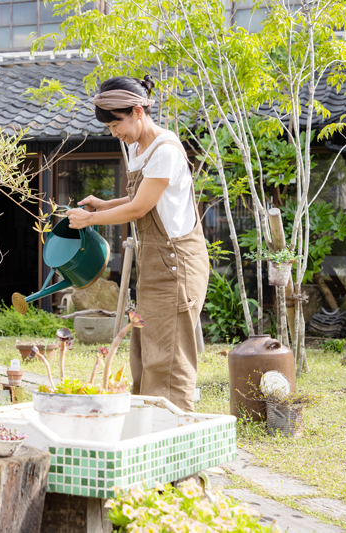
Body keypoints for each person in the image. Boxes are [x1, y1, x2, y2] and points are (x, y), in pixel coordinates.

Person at [67, 75, 209, 412]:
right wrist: (104, 206)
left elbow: (140, 208)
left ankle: (177, 450)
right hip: (155, 264)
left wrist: (89, 220)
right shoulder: (138, 148)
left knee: (169, 361)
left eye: (117, 124)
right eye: (110, 128)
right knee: (145, 354)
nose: (115, 133)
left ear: (137, 111)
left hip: (177, 265)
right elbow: (138, 198)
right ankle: (150, 439)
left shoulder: (166, 150)